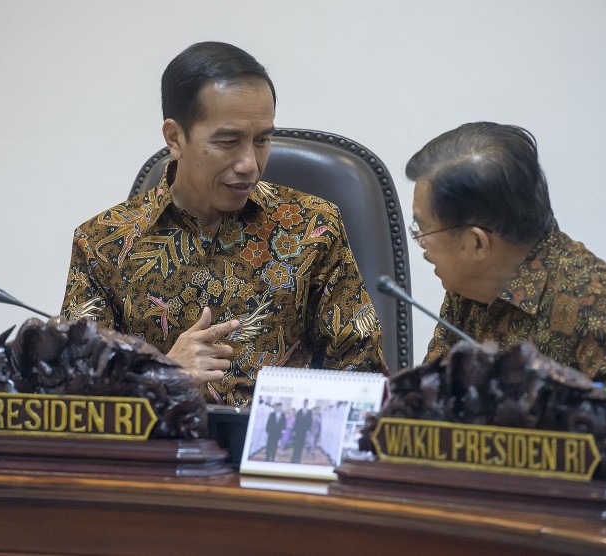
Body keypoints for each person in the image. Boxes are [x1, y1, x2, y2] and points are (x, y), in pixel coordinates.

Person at [60, 42, 386, 407]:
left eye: (262, 140)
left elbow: (363, 378)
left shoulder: (313, 227)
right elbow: (74, 396)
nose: (250, 163)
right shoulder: (104, 242)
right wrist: (162, 374)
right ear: (174, 138)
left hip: (276, 451)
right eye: (228, 141)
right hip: (160, 455)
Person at [406, 122, 606, 449]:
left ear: (476, 244)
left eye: (422, 229)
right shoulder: (469, 289)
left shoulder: (593, 299)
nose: (420, 243)